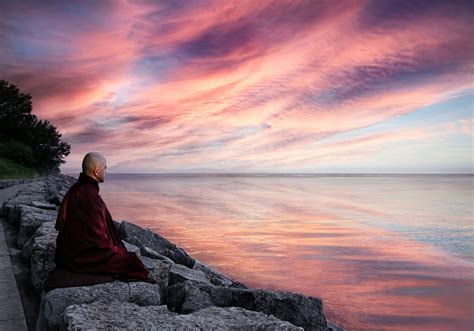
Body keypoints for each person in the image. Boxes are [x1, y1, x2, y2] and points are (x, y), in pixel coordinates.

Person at [43, 152, 154, 292]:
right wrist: (115, 249)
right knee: (133, 262)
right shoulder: (89, 196)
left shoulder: (77, 188)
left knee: (125, 256)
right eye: (105, 168)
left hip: (67, 251)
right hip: (80, 256)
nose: (106, 172)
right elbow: (97, 238)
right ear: (96, 171)